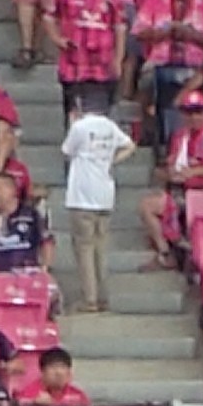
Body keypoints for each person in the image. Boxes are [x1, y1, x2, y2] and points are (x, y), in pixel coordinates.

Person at [60, 95, 136, 312]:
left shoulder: (80, 127)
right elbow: (130, 145)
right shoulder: (110, 126)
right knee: (100, 248)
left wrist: (73, 124)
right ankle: (103, 296)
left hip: (83, 194)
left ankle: (89, 299)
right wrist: (111, 160)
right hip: (104, 193)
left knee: (84, 249)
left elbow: (66, 151)